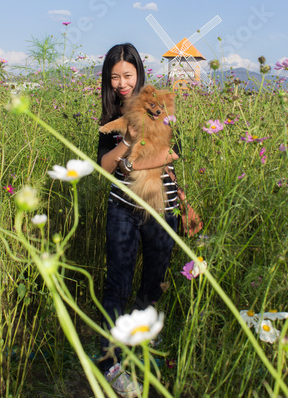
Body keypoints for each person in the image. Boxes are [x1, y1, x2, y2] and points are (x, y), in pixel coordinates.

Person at [97, 43, 180, 397]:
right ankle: (109, 361)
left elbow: (171, 158)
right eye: (114, 77)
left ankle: (137, 346)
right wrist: (127, 144)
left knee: (154, 282)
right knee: (118, 280)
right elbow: (105, 166)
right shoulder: (109, 116)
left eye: (127, 75)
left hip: (164, 208)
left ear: (139, 75)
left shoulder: (158, 105)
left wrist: (187, 207)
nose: (121, 83)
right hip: (123, 208)